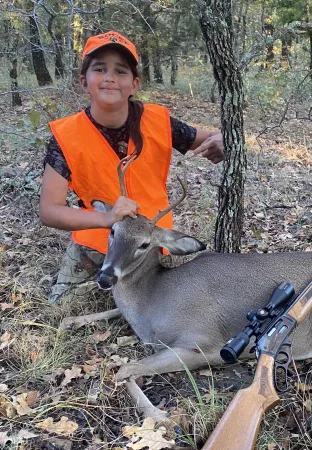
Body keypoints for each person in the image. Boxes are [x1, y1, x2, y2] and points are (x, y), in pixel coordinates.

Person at [39, 31, 224, 303]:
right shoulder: (65, 136)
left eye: (121, 71)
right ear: (84, 82)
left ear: (134, 84)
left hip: (147, 244)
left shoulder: (159, 122)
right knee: (64, 306)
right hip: (98, 241)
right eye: (100, 69)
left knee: (162, 309)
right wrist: (106, 219)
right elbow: (49, 210)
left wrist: (223, 140)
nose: (110, 77)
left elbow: (211, 138)